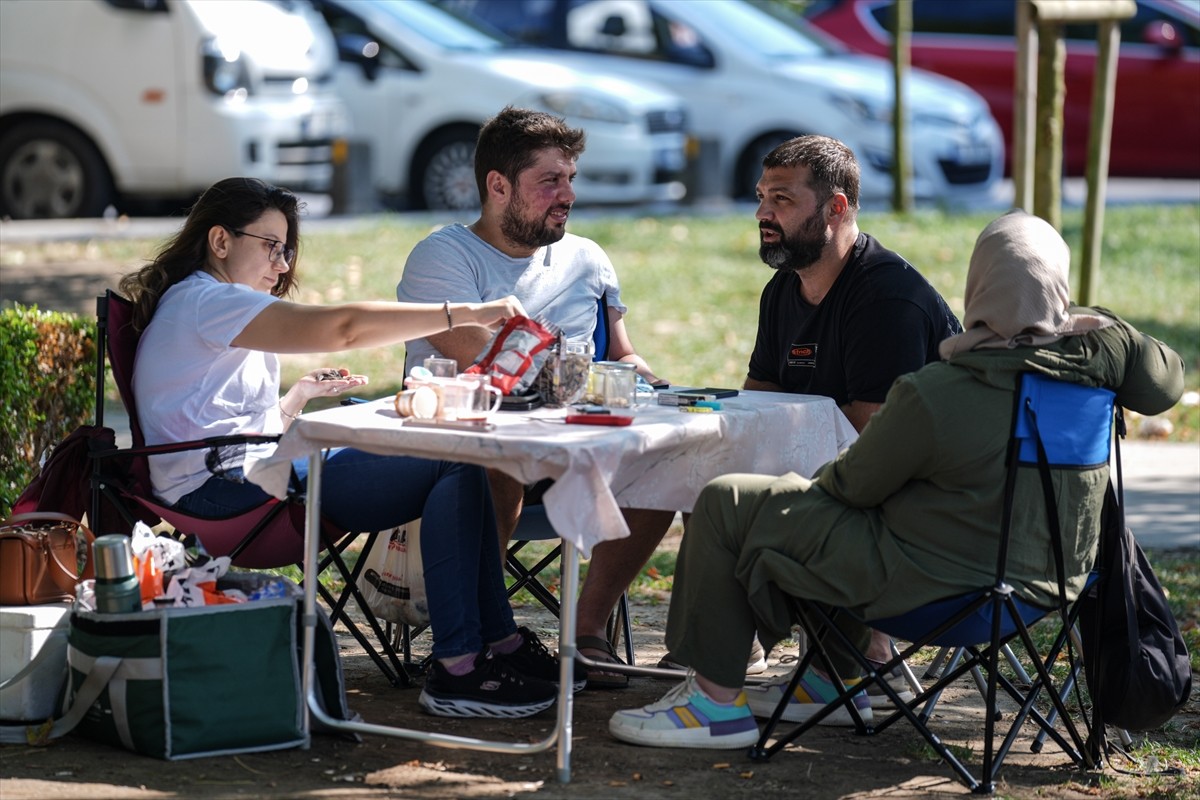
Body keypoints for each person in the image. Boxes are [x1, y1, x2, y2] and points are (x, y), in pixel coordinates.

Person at [607, 209, 1185, 748]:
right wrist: (1093, 322)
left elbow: (850, 488)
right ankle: (830, 682)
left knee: (733, 499)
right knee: (839, 519)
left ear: (977, 285)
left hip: (935, 592)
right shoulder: (1095, 371)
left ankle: (711, 706)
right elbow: (1164, 382)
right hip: (1051, 587)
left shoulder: (937, 391)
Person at [120, 176, 579, 720]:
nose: (283, 264)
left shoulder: (212, 303)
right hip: (224, 496)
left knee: (462, 456)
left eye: (287, 249)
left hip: (248, 473)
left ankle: (492, 647)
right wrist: (469, 313)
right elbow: (342, 327)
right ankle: (461, 667)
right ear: (220, 241)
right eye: (271, 246)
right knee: (457, 459)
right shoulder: (207, 300)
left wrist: (298, 397)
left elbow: (215, 417)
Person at [396, 106, 675, 688]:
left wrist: (646, 381)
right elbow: (490, 364)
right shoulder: (443, 258)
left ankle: (587, 630)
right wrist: (582, 376)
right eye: (550, 180)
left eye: (571, 178)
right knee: (497, 467)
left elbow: (620, 354)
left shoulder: (587, 257)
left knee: (671, 461)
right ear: (498, 186)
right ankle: (479, 640)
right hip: (472, 448)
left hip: (578, 439)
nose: (567, 194)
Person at [684, 134, 963, 701]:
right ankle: (741, 650)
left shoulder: (887, 298)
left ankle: (862, 656)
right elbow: (754, 404)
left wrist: (776, 484)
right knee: (707, 484)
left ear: (836, 207)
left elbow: (876, 441)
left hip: (916, 507)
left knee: (739, 505)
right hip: (843, 483)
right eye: (761, 197)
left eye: (782, 200)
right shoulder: (782, 290)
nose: (762, 213)